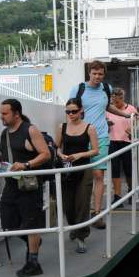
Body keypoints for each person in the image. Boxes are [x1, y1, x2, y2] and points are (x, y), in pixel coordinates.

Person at [0, 98, 53, 277]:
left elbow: (45, 154)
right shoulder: (5, 133)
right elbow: (7, 160)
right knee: (7, 219)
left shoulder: (30, 129)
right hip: (12, 184)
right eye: (1, 113)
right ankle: (34, 241)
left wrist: (27, 165)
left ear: (16, 114)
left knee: (31, 222)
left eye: (5, 113)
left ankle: (33, 262)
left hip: (29, 184)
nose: (1, 117)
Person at [68, 60, 135, 228]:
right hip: (82, 137)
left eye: (100, 74)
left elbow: (108, 108)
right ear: (89, 73)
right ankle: (80, 214)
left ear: (104, 75)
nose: (97, 77)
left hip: (102, 137)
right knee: (82, 178)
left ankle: (97, 213)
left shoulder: (106, 89)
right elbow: (71, 111)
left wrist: (125, 115)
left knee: (99, 175)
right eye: (94, 73)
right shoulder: (79, 89)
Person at [55, 99, 99, 254]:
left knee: (82, 203)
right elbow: (57, 146)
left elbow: (95, 150)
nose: (71, 114)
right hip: (67, 169)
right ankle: (74, 227)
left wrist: (79, 154)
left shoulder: (89, 128)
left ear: (81, 110)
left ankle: (81, 237)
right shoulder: (62, 127)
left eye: (74, 111)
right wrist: (61, 155)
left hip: (84, 168)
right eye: (68, 112)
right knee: (68, 204)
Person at [105, 88, 139, 203]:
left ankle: (130, 191)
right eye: (113, 101)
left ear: (122, 98)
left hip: (127, 142)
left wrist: (132, 128)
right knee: (115, 170)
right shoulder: (108, 110)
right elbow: (104, 123)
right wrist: (107, 124)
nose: (115, 105)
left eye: (117, 102)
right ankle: (117, 196)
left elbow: (138, 122)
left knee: (128, 169)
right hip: (113, 142)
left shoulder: (131, 109)